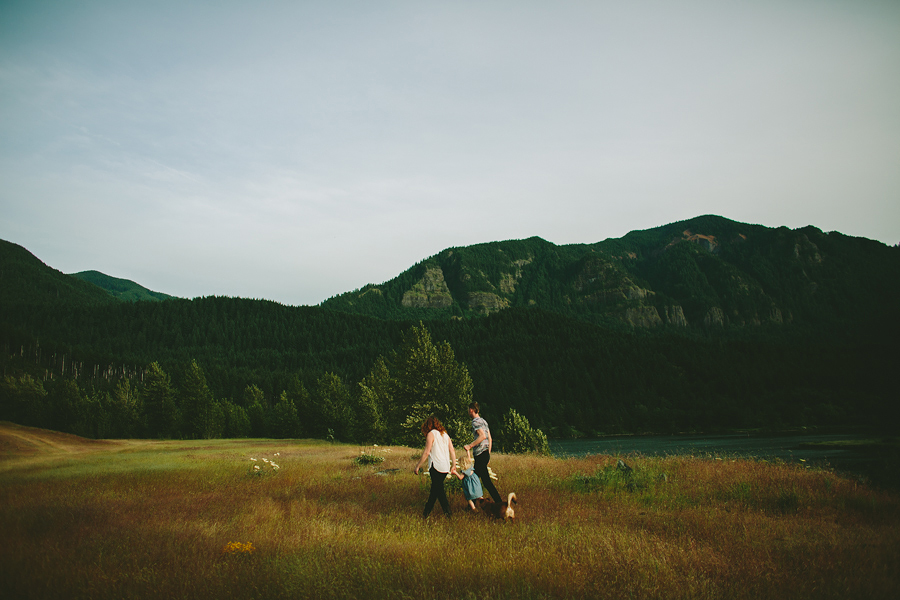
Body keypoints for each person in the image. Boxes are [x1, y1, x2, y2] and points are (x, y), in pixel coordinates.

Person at [413, 415, 458, 519]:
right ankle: (426, 514)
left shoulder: (431, 434)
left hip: (435, 466)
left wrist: (417, 466)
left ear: (428, 425)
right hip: (445, 467)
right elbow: (452, 450)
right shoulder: (445, 435)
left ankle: (448, 514)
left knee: (438, 491)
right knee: (435, 491)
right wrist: (454, 465)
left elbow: (427, 452)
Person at [462, 402, 501, 504]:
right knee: (474, 478)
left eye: (468, 410)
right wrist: (488, 455)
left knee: (485, 482)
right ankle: (473, 505)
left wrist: (470, 446)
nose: (468, 412)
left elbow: (482, 436)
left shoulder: (475, 422)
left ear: (471, 410)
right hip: (485, 454)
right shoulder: (484, 421)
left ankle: (500, 504)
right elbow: (490, 439)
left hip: (480, 454)